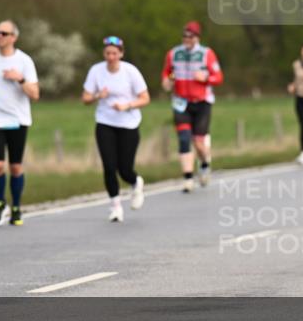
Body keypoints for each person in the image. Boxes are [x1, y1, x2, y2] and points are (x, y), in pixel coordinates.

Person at [82, 36, 150, 221]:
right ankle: (115, 206)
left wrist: (127, 105)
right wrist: (98, 95)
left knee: (125, 169)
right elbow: (85, 99)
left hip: (128, 124)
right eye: (107, 53)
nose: (111, 56)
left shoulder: (130, 72)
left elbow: (145, 98)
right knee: (109, 167)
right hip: (105, 123)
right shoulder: (96, 71)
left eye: (114, 53)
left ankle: (136, 182)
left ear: (121, 53)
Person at [0, 20, 39, 226]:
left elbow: (35, 94)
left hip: (18, 119)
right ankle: (0, 202)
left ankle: (16, 206)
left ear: (13, 37)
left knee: (15, 167)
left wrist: (20, 79)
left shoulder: (24, 61)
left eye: (4, 33)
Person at [161, 21, 224, 192]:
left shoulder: (206, 54)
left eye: (191, 36)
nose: (187, 39)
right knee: (183, 139)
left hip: (202, 102)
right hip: (181, 102)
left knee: (198, 141)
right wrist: (168, 81)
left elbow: (218, 77)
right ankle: (188, 178)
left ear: (197, 38)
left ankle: (204, 162)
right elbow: (168, 72)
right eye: (185, 36)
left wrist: (206, 79)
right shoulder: (174, 53)